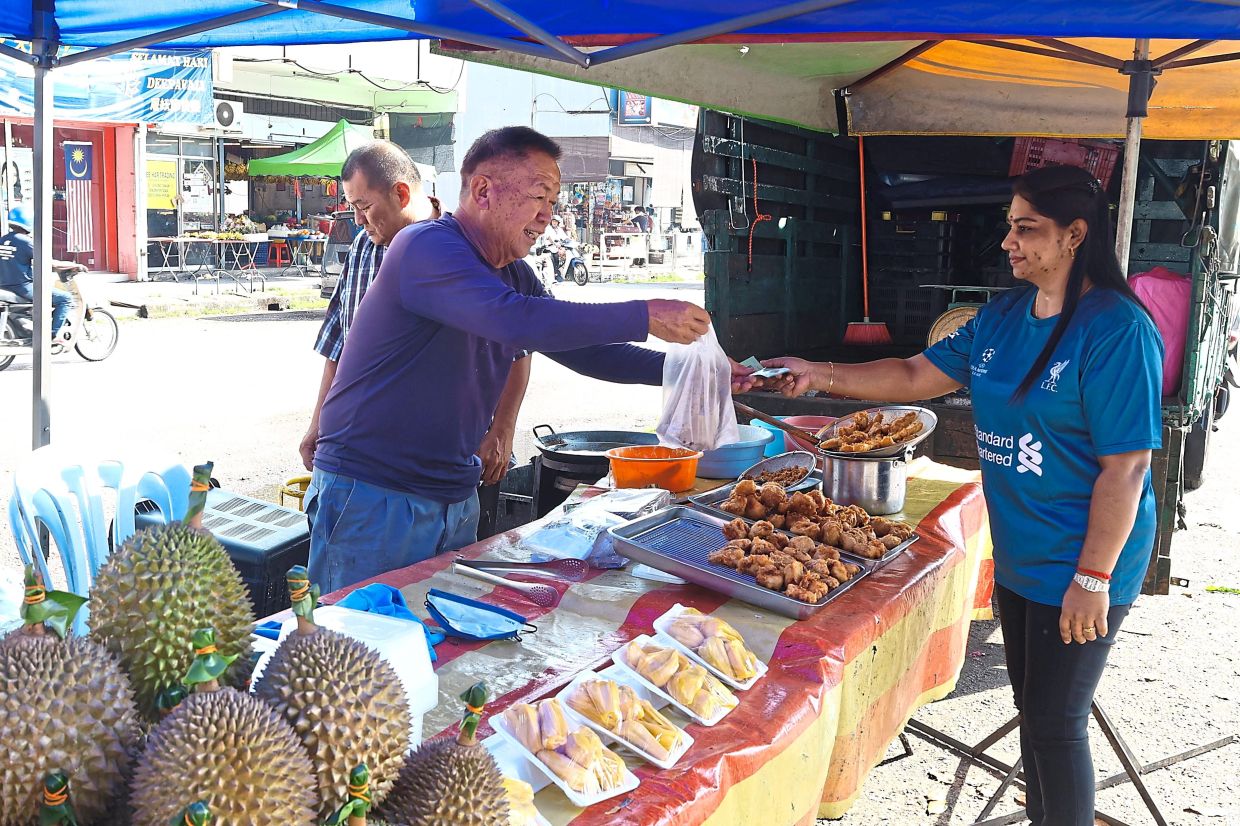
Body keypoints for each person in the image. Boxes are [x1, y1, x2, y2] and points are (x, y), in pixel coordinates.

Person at [737, 164, 1163, 826]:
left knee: (1056, 722)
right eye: (1009, 227)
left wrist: (1093, 577)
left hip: (1082, 559)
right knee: (1035, 710)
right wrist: (816, 373)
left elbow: (1127, 469)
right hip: (1023, 551)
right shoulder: (1002, 318)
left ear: (1076, 234)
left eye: (1027, 229)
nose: (1008, 242)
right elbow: (911, 373)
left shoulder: (1116, 330)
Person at [306, 126, 710, 592]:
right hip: (374, 493)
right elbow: (519, 321)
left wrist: (691, 371)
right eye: (540, 196)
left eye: (553, 202)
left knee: (436, 647)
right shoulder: (424, 246)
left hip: (454, 492)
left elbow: (580, 347)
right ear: (482, 190)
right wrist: (644, 314)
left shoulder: (512, 273)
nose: (547, 217)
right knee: (355, 649)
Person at [0, 204, 78, 341]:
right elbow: (49, 262)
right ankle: (51, 336)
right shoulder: (25, 242)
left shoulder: (3, 240)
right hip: (23, 288)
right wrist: (74, 265)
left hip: (5, 286)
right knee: (65, 298)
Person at [537, 214, 571, 282]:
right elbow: (548, 237)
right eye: (553, 221)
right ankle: (550, 277)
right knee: (551, 261)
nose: (554, 223)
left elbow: (564, 237)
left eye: (556, 222)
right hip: (548, 248)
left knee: (557, 261)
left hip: (555, 249)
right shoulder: (548, 228)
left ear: (558, 223)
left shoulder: (559, 229)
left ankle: (556, 275)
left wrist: (569, 240)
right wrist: (554, 243)